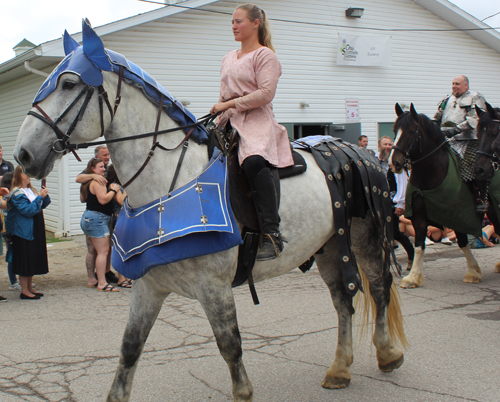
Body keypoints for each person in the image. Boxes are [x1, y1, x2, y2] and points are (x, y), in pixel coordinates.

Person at [210, 4, 293, 260]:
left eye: (239, 21)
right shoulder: (228, 56)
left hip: (257, 120)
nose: (234, 26)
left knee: (254, 162)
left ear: (256, 23)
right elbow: (224, 92)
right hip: (227, 119)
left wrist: (228, 104)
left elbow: (265, 94)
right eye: (232, 22)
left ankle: (272, 233)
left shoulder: (265, 55)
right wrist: (219, 111)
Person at [433, 75, 488, 213]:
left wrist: (457, 129)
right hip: (447, 139)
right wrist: (431, 127)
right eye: (452, 83)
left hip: (468, 140)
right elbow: (437, 116)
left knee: (469, 166)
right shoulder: (447, 99)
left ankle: (481, 198)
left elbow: (475, 118)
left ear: (466, 85)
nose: (454, 86)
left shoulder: (475, 97)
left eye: (457, 84)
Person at [5, 166, 50, 300]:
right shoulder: (17, 193)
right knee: (25, 260)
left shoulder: (30, 190)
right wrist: (39, 198)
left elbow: (41, 205)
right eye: (26, 173)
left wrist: (44, 196)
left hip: (34, 229)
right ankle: (24, 290)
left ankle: (30, 287)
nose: (29, 176)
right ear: (19, 175)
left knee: (31, 259)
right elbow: (28, 210)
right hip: (23, 231)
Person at [76, 146, 119, 286]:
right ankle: (94, 278)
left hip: (106, 215)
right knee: (98, 250)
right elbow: (79, 178)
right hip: (97, 216)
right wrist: (111, 189)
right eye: (104, 155)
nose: (107, 157)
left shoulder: (109, 168)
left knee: (105, 248)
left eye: (108, 154)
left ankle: (104, 273)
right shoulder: (95, 172)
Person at [376, 137, 415, 270]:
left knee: (395, 233)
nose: (387, 146)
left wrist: (400, 204)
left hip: (391, 201)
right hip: (377, 201)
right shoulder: (373, 159)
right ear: (379, 145)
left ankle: (412, 256)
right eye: (385, 144)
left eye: (390, 144)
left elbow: (402, 183)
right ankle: (381, 262)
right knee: (378, 232)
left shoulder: (396, 162)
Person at [106, 164, 132, 288]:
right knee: (120, 247)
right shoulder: (115, 187)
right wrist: (128, 187)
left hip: (125, 217)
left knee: (127, 248)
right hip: (118, 218)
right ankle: (121, 278)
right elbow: (121, 201)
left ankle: (127, 276)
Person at [1, 172, 20, 291]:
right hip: (7, 230)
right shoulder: (6, 196)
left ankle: (19, 278)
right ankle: (13, 282)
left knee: (17, 253)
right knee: (11, 255)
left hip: (13, 228)